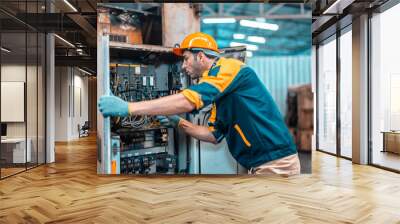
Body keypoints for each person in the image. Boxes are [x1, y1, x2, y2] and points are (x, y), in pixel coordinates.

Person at [98, 32, 300, 176]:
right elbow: (213, 135)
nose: (183, 66)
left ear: (201, 56)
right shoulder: (219, 95)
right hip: (260, 163)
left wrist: (128, 108)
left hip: (275, 162)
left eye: (185, 59)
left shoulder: (229, 68)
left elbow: (188, 99)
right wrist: (178, 122)